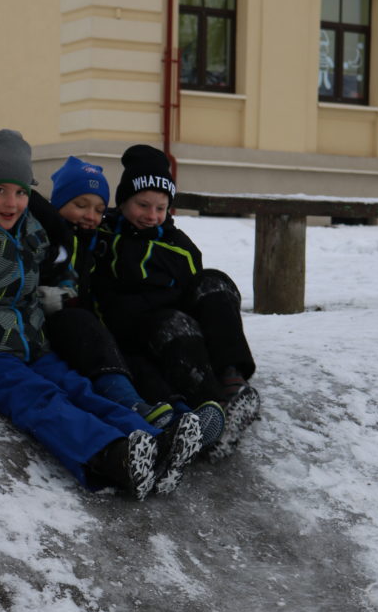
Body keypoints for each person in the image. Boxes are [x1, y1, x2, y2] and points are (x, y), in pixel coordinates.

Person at [0, 129, 202, 499]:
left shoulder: (30, 231)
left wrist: (60, 292)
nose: (12, 203)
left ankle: (152, 441)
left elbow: (59, 266)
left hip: (33, 347)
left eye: (21, 192)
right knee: (39, 399)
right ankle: (110, 455)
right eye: (0, 190)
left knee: (78, 388)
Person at [41, 154, 226, 450]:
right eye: (80, 205)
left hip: (108, 332)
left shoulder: (95, 239)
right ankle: (149, 412)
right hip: (72, 332)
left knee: (139, 363)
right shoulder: (52, 236)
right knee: (117, 356)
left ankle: (183, 419)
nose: (90, 215)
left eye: (99, 209)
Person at [90, 144, 261, 456]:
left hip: (179, 325)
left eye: (161, 208)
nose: (152, 216)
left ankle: (232, 378)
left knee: (214, 281)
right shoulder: (104, 237)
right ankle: (213, 411)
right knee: (174, 323)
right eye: (143, 205)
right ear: (123, 200)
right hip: (137, 332)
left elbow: (195, 287)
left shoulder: (178, 246)